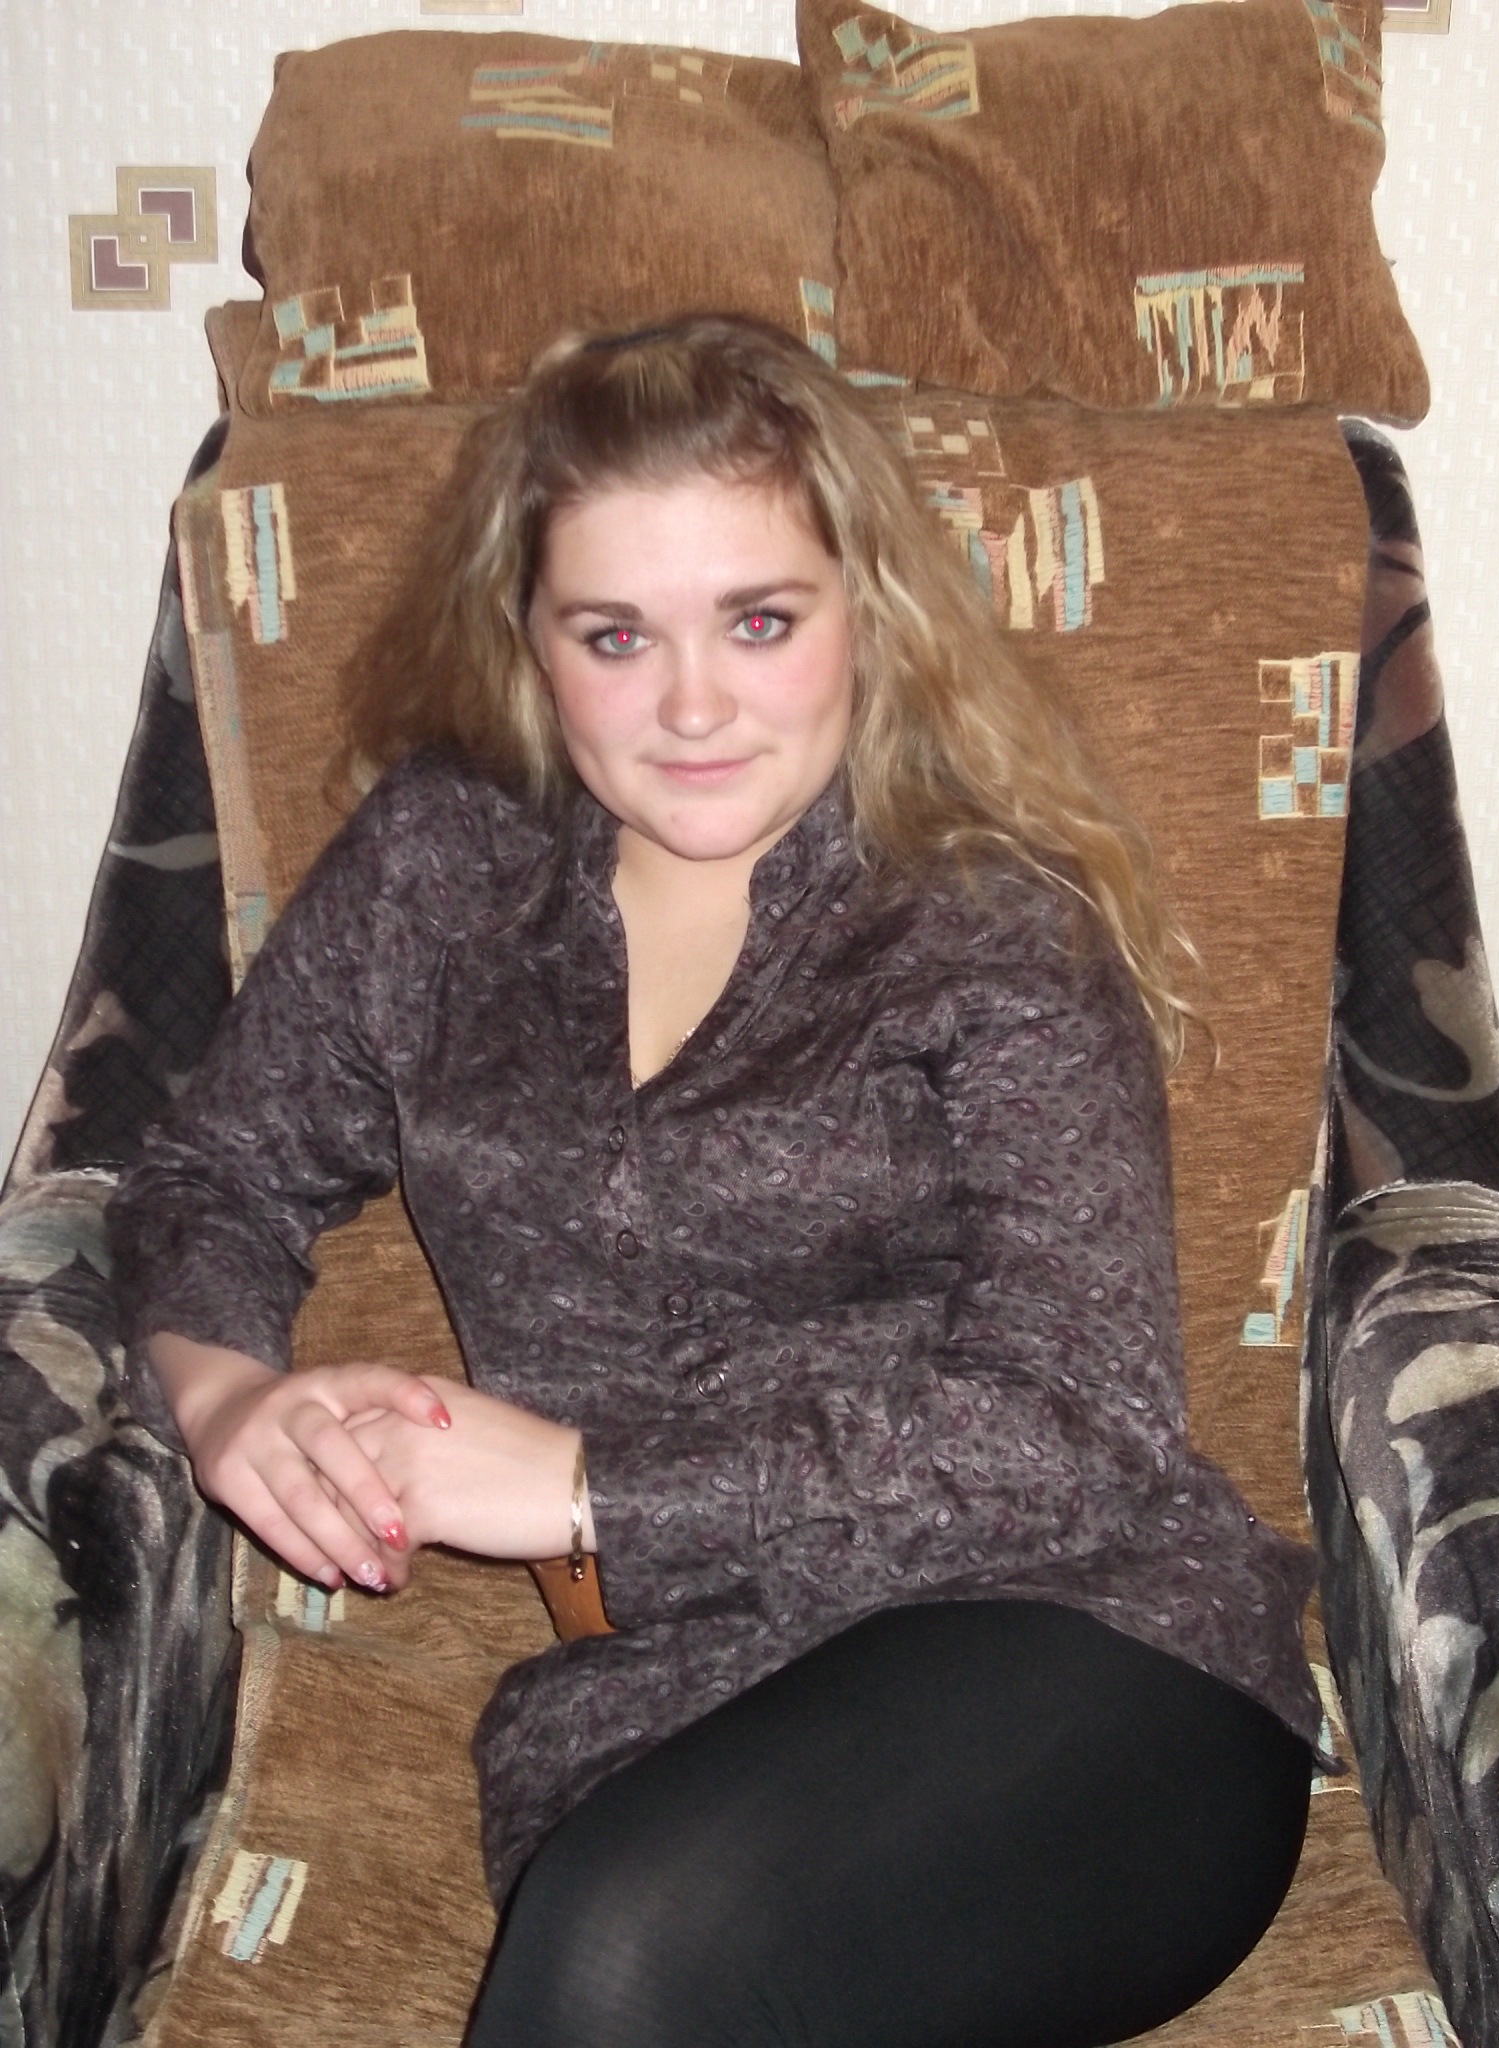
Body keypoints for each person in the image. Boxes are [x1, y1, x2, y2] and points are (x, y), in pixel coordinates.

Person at [108, 315, 1331, 2048]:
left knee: (626, 1957)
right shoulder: (440, 868)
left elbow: (1078, 1426)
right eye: (616, 635)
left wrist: (589, 1492)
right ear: (530, 640)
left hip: (1085, 1654)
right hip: (656, 1698)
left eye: (760, 621)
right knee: (627, 1942)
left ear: (866, 613)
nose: (691, 706)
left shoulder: (990, 922)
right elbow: (214, 1174)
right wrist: (230, 1399)